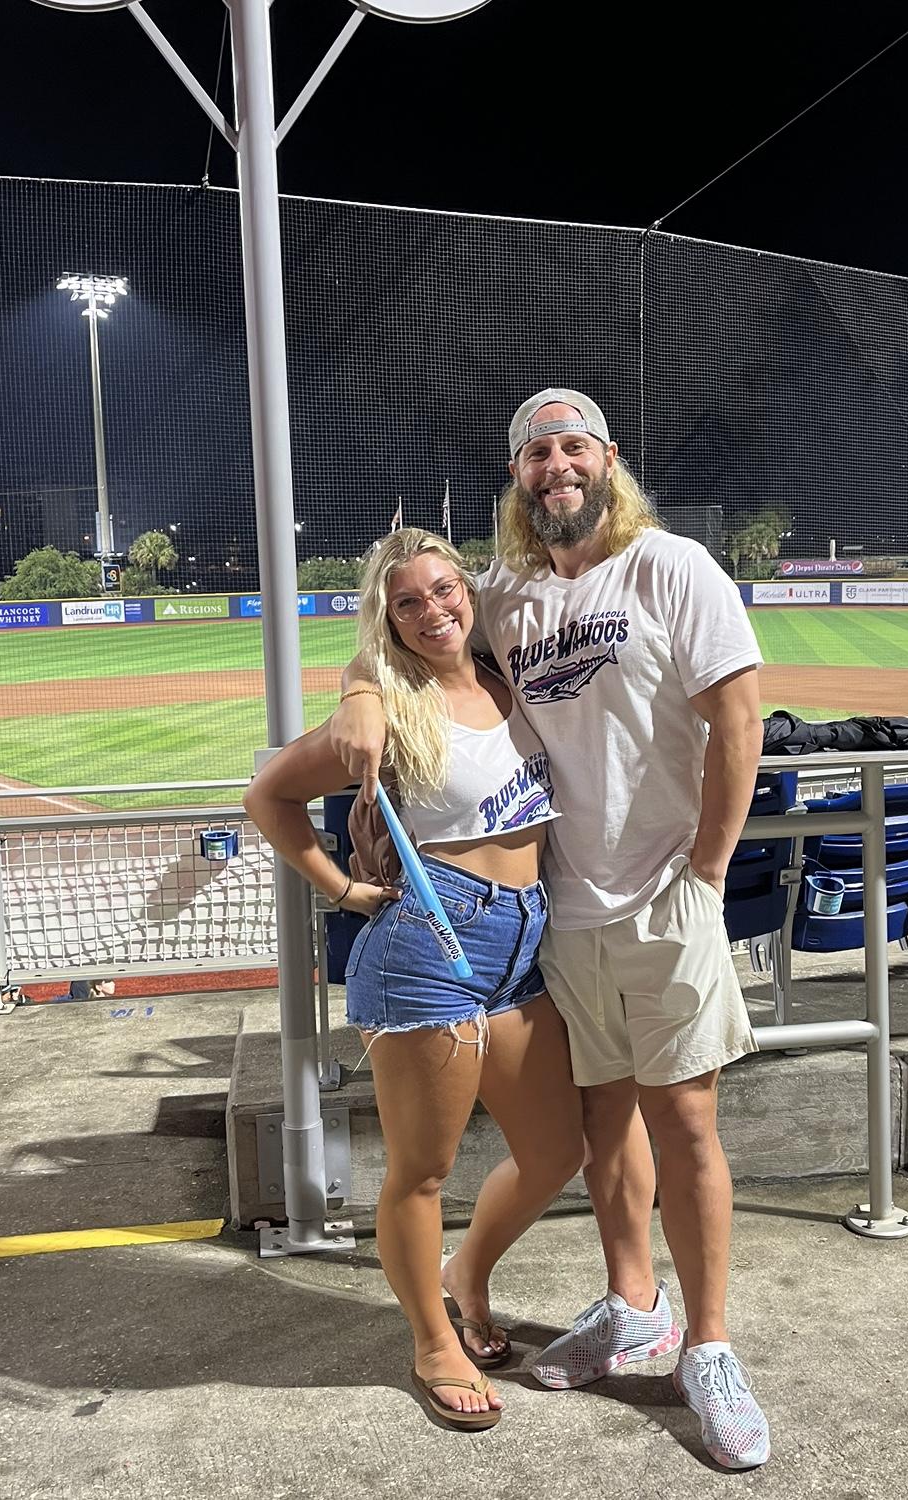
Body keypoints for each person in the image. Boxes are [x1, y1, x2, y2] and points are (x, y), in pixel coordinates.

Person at [331, 390, 771, 1469]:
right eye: (537, 453)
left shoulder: (672, 566)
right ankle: (633, 1304)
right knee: (605, 1129)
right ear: (519, 476)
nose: (555, 467)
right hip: (559, 910)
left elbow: (741, 717)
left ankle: (707, 1346)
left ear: (608, 461)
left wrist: (707, 868)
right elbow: (405, 621)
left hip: (666, 896)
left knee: (687, 1126)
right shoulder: (509, 592)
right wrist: (352, 690)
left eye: (573, 447)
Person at [243, 528, 583, 1433]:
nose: (434, 610)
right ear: (386, 619)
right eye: (408, 602)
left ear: (468, 592)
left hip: (519, 944)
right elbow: (267, 793)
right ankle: (432, 1341)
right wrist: (347, 891)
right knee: (422, 1172)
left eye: (445, 590)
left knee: (557, 1153)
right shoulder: (388, 704)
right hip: (429, 947)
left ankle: (465, 1273)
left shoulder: (505, 683)